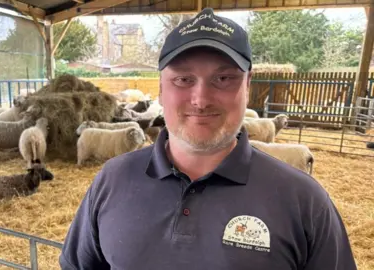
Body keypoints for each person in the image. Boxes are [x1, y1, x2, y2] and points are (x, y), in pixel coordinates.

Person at [59, 7, 357, 270]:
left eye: (224, 78)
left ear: (247, 87)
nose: (201, 99)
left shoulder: (303, 200)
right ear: (161, 88)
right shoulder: (112, 181)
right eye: (183, 79)